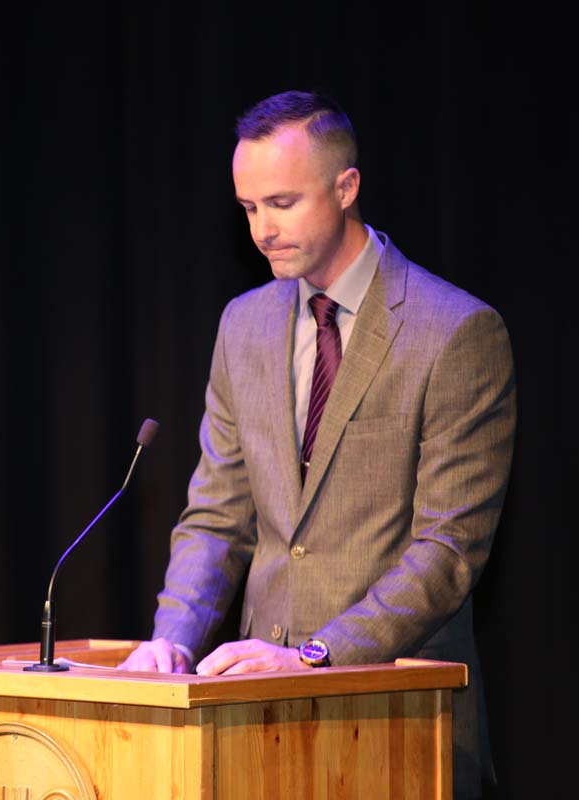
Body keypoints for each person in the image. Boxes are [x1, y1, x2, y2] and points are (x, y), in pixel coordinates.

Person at [117, 90, 515, 798]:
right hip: (252, 722)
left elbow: (449, 551)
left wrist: (315, 655)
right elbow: (217, 514)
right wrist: (172, 637)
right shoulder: (243, 325)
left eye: (281, 202)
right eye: (247, 210)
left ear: (346, 187)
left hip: (398, 709)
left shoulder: (453, 330)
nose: (262, 230)